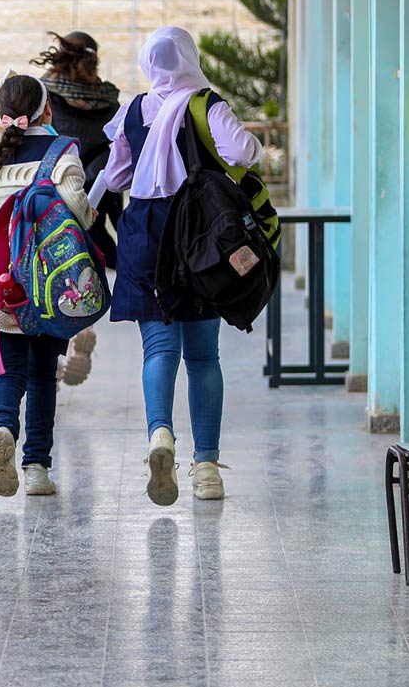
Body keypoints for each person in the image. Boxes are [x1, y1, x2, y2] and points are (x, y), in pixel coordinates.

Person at [89, 27, 263, 505]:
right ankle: (206, 467)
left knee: (158, 350)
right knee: (204, 356)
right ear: (190, 55)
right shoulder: (206, 104)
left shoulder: (133, 111)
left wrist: (89, 202)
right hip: (199, 238)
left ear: (149, 64)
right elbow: (241, 153)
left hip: (146, 233)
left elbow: (118, 173)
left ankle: (159, 435)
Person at [0, 73, 93, 497]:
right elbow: (78, 211)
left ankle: (2, 430)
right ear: (47, 110)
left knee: (8, 373)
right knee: (41, 379)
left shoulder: (0, 161)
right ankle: (36, 469)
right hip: (48, 294)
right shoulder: (61, 152)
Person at [30, 31, 122, 385]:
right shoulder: (110, 98)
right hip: (100, 197)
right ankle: (82, 326)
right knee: (89, 264)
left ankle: (53, 343)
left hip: (54, 195)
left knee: (48, 271)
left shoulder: (45, 94)